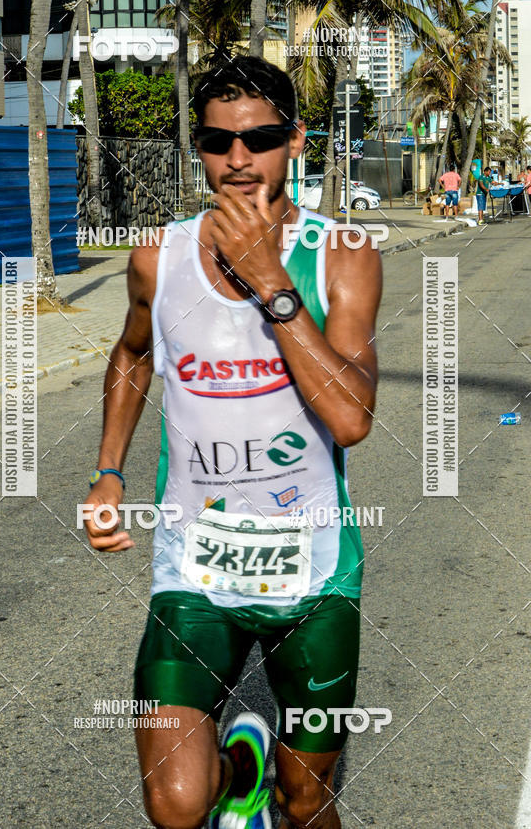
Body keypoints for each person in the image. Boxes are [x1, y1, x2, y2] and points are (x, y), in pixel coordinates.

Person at [83, 56, 382, 829]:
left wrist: (269, 281)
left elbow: (351, 418)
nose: (239, 160)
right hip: (194, 570)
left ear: (296, 140)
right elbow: (133, 352)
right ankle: (232, 772)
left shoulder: (341, 251)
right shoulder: (161, 255)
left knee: (306, 800)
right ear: (202, 149)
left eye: (260, 139)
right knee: (176, 806)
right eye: (218, 143)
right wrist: (108, 473)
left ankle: (274, 782)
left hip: (313, 579)